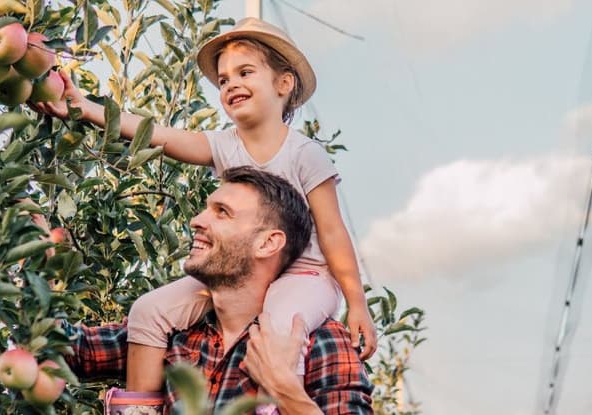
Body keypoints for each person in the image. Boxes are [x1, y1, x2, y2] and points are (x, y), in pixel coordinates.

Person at [32, 17, 378, 396]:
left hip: (306, 276)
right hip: (245, 272)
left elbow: (331, 230)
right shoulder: (225, 145)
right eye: (224, 79)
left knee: (280, 325)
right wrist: (86, 109)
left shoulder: (305, 154)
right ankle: (138, 407)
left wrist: (355, 303)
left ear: (283, 83)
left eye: (245, 72)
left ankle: (274, 404)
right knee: (148, 311)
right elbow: (158, 135)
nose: (231, 84)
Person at [63, 167, 373, 414]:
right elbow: (68, 346)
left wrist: (286, 392)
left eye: (221, 212)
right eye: (205, 209)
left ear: (267, 243)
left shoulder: (318, 341)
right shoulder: (174, 333)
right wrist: (25, 246)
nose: (196, 221)